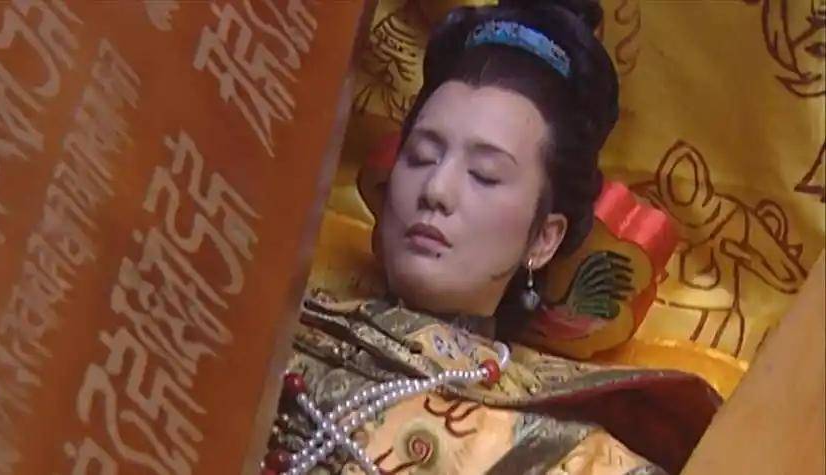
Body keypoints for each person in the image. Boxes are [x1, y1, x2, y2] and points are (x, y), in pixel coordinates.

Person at [264, 1, 721, 473]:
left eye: (484, 174)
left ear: (544, 239)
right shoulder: (267, 325)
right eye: (421, 157)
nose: (436, 190)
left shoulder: (575, 456)